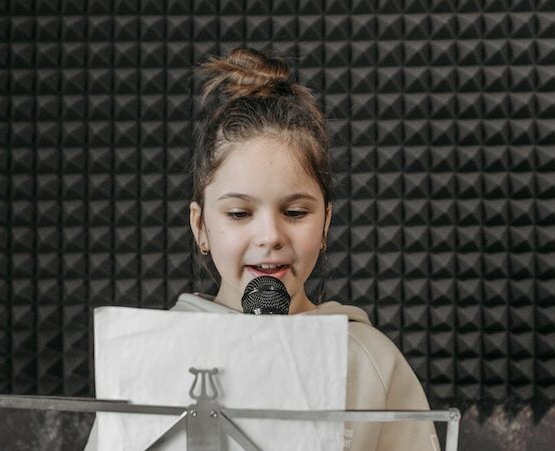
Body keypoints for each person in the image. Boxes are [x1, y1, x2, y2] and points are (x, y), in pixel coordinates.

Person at [86, 47, 438, 450]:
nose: (269, 235)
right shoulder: (153, 358)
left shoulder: (370, 360)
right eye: (239, 213)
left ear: (325, 222)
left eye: (294, 211)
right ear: (201, 226)